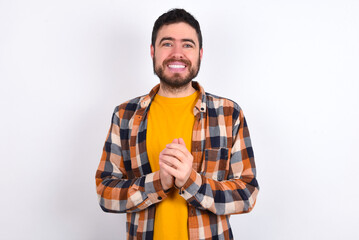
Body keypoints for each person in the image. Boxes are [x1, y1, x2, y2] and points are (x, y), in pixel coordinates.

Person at [95, 8, 259, 240]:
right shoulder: (125, 115)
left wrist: (192, 182)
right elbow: (105, 192)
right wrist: (157, 183)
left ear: (200, 53)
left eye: (188, 45)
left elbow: (247, 194)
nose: (177, 53)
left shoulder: (229, 114)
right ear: (153, 51)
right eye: (167, 44)